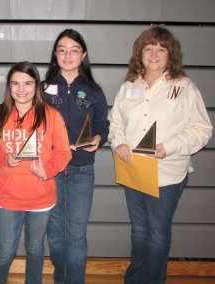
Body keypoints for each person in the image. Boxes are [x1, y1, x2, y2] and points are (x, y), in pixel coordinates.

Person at [108, 26, 213, 284]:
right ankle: (135, 280)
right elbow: (116, 123)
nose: (154, 54)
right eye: (148, 48)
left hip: (166, 175)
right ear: (140, 53)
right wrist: (118, 142)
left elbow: (202, 130)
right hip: (133, 170)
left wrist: (170, 146)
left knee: (157, 235)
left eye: (161, 49)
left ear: (170, 54)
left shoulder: (184, 87)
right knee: (139, 231)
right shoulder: (130, 86)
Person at [0, 61, 72, 284]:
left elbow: (64, 152)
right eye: (15, 83)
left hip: (41, 198)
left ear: (37, 86)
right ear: (9, 86)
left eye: (27, 83)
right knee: (5, 251)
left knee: (34, 249)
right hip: (9, 198)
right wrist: (3, 158)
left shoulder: (51, 115)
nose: (21, 89)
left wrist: (47, 170)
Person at [43, 29, 109, 284]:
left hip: (82, 171)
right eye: (62, 50)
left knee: (77, 236)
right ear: (55, 54)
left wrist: (98, 139)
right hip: (53, 170)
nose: (67, 55)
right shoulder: (42, 89)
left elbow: (102, 125)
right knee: (56, 233)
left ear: (83, 55)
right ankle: (63, 279)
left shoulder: (94, 90)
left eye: (74, 50)